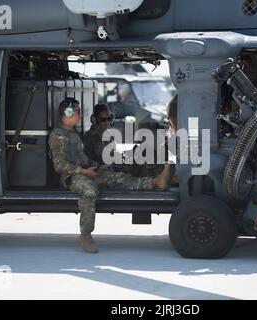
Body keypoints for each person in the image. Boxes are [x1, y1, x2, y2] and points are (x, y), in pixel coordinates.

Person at [49, 98, 173, 253]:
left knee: (118, 177)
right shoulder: (58, 135)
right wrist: (84, 171)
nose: (80, 115)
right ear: (67, 113)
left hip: (86, 170)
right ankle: (85, 234)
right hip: (71, 176)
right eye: (77, 111)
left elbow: (84, 158)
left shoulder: (73, 134)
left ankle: (155, 182)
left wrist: (98, 166)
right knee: (90, 191)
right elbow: (59, 165)